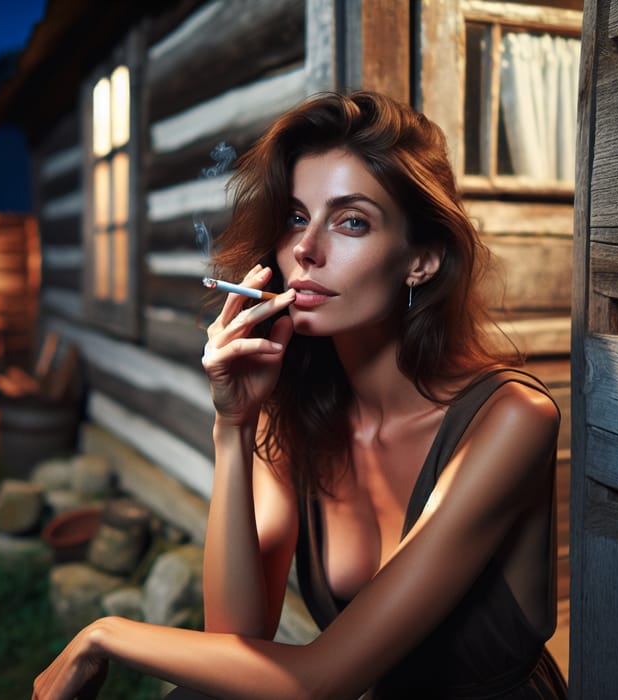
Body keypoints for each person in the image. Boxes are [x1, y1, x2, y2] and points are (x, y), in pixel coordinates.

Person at [32, 91, 567, 699]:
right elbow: (238, 634)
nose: (306, 249)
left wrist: (102, 633)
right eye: (294, 217)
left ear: (421, 259)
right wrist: (232, 425)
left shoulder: (512, 419)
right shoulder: (297, 411)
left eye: (351, 221)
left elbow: (318, 683)